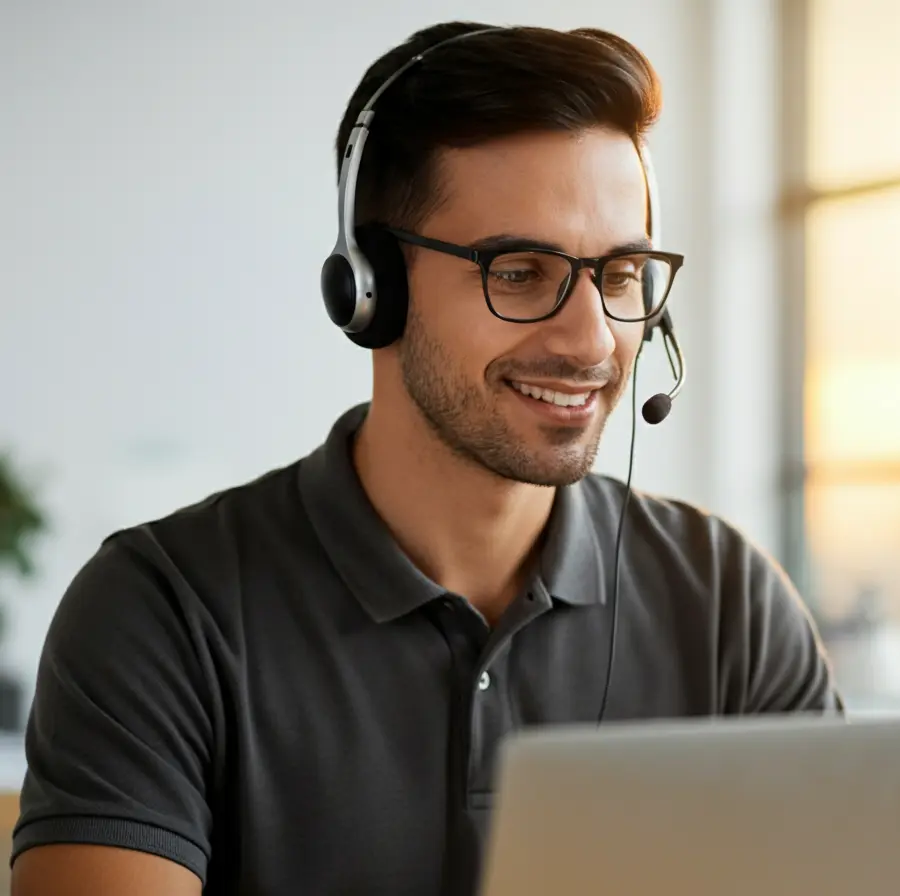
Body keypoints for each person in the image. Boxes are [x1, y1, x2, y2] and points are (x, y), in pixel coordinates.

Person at [10, 21, 840, 896]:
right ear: (371, 287)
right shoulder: (159, 611)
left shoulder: (729, 604)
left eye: (621, 274)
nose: (593, 340)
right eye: (519, 272)